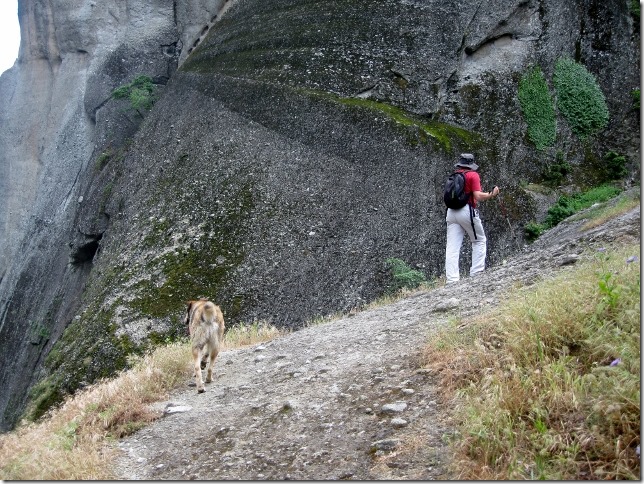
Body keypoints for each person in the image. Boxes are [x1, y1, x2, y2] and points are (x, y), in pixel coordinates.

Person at [445, 153, 499, 284]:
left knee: (452, 247)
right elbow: (478, 196)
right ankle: (476, 274)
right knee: (479, 240)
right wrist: (492, 194)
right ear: (471, 164)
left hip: (451, 212)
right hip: (466, 210)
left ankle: (452, 280)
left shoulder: (455, 175)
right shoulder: (472, 175)